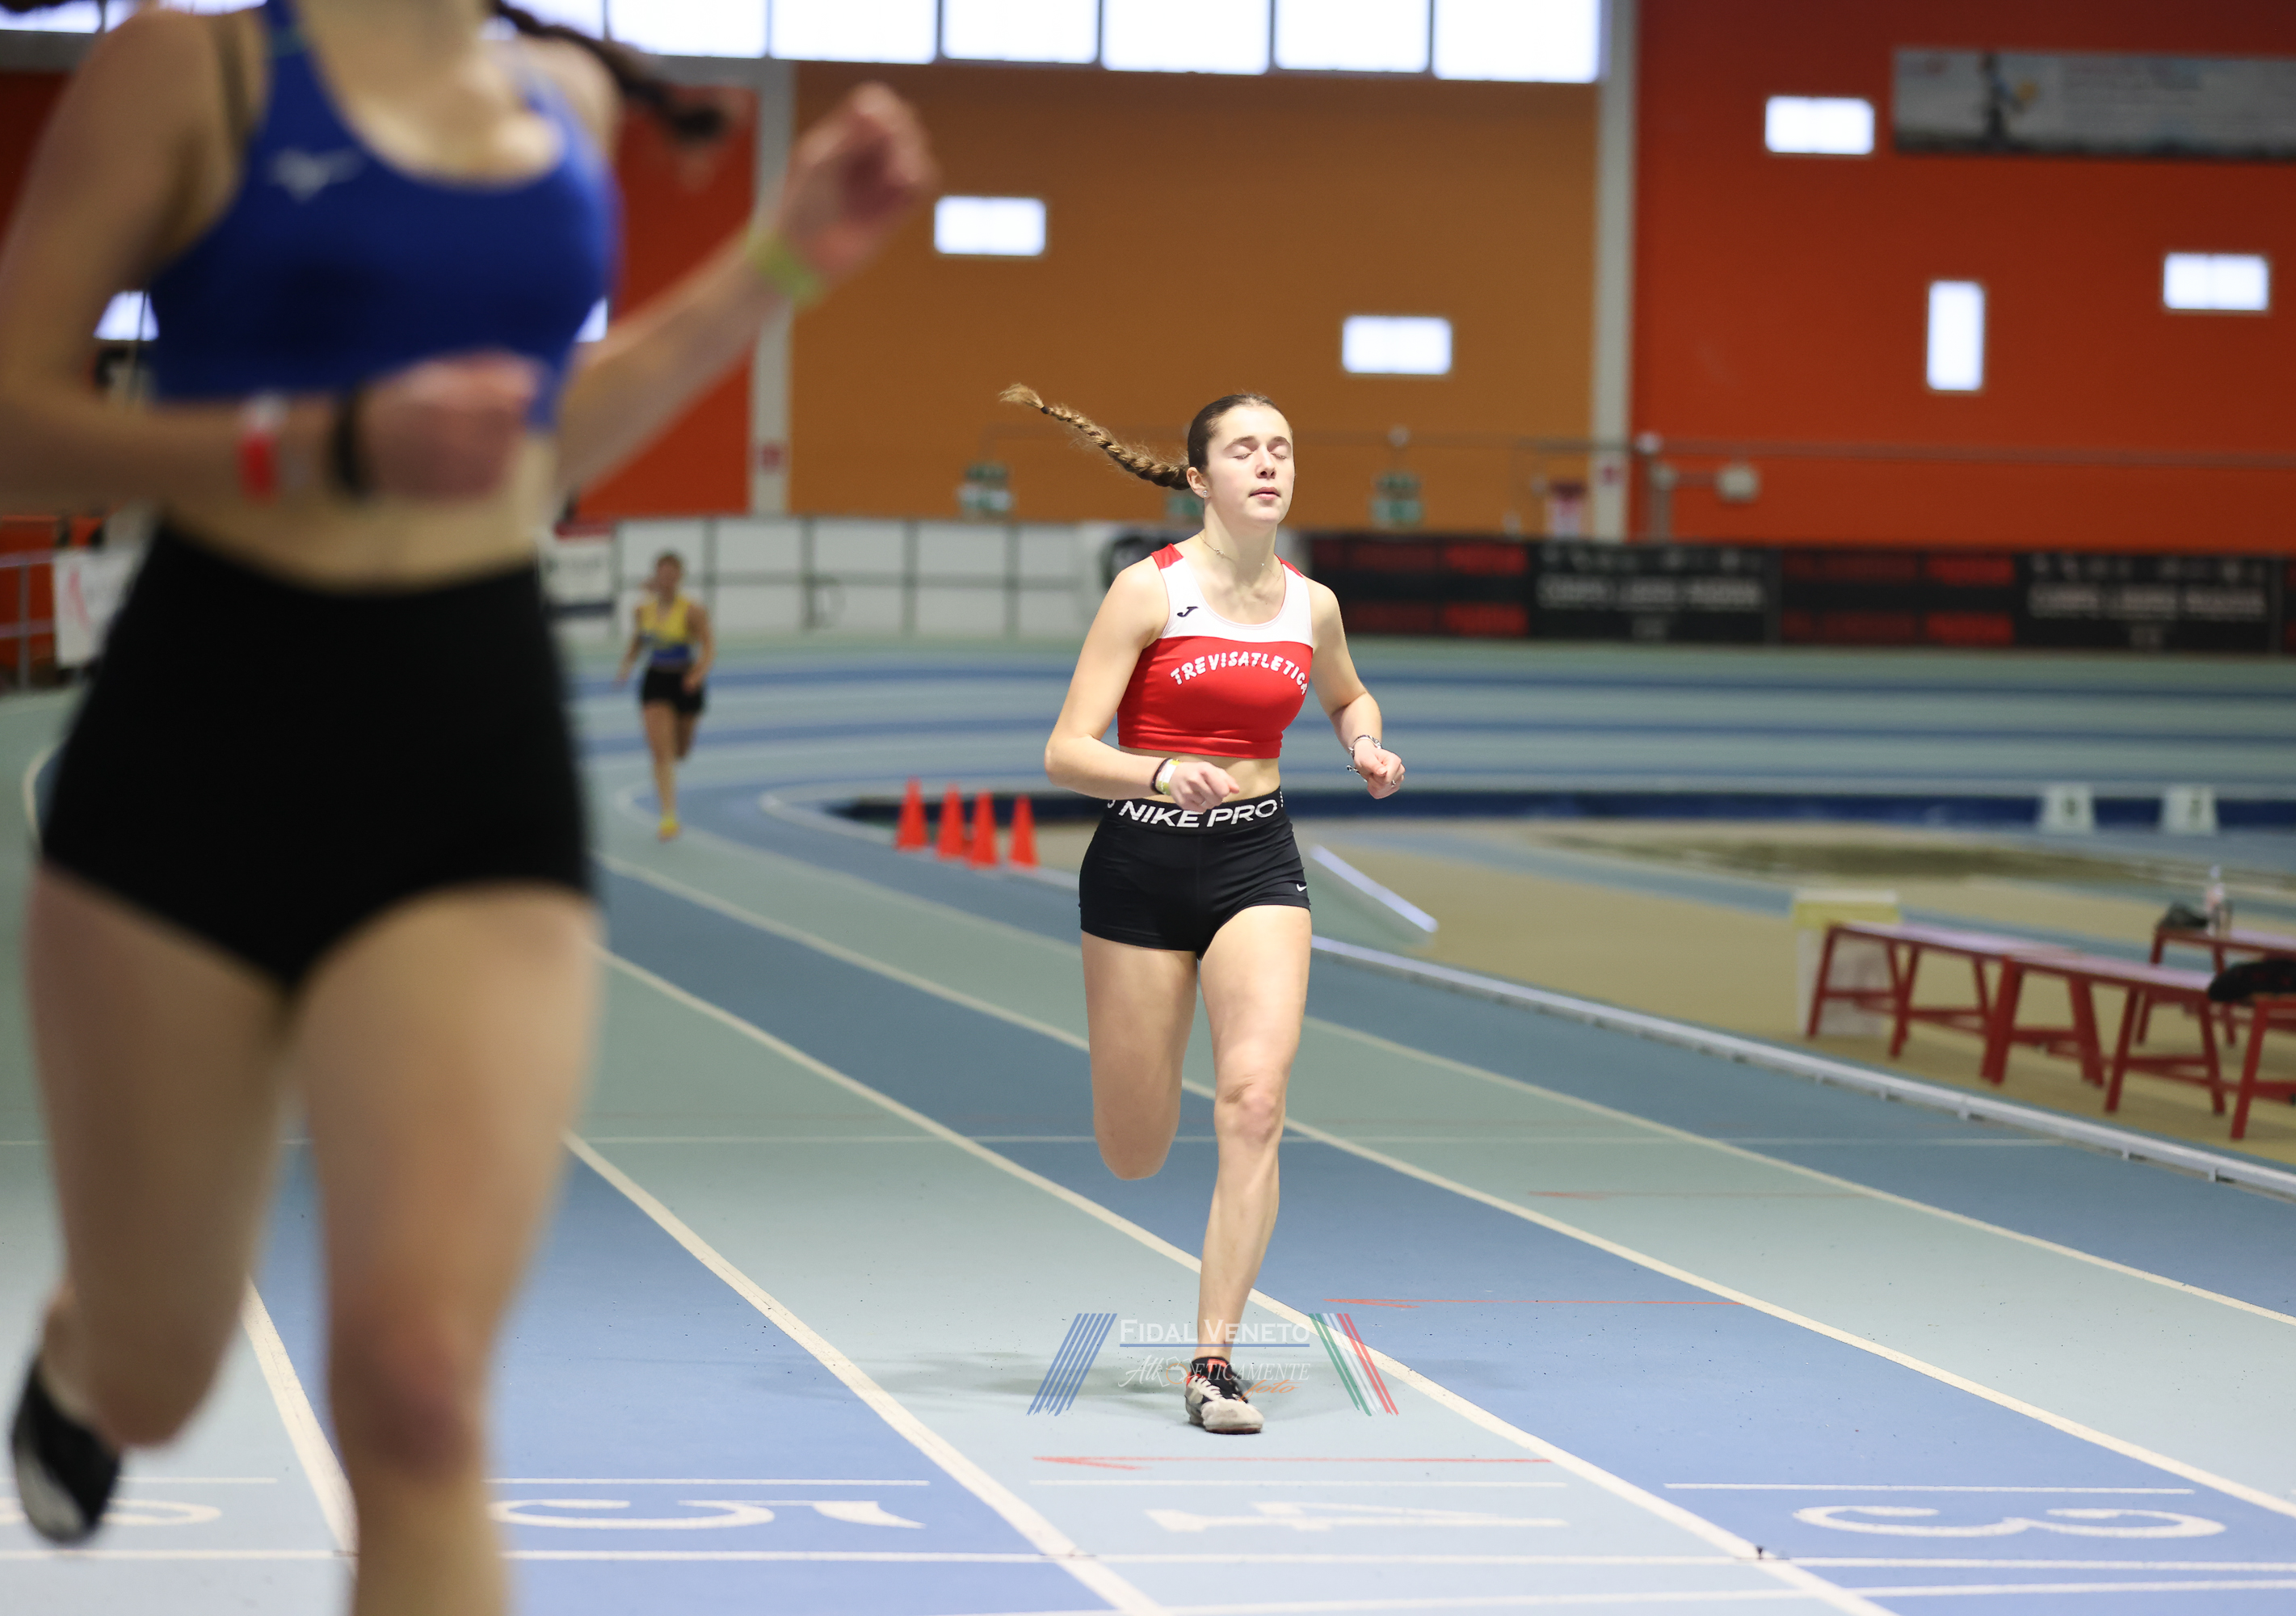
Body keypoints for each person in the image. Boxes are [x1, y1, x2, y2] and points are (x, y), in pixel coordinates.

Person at [0, 2, 932, 1610]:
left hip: (467, 750)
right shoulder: (189, 67)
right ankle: (96, 1340)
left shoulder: (562, 92)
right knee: (159, 1375)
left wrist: (785, 259)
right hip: (200, 747)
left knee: (419, 1392)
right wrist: (315, 446)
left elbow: (538, 441)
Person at [1017, 383, 1407, 1434]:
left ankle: (1212, 1363)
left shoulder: (1311, 605)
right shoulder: (1147, 592)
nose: (1268, 463)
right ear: (1199, 478)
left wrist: (1365, 741)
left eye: (1282, 447)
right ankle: (1145, 1101)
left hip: (1255, 864)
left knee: (1254, 1101)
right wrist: (1159, 770)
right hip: (1139, 868)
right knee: (1133, 1148)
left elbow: (1346, 693)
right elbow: (1065, 751)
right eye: (1244, 450)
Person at [615, 549, 713, 840]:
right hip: (655, 680)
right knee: (660, 752)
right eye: (662, 574)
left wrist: (697, 675)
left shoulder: (692, 610)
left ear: (679, 577)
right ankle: (669, 816)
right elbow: (638, 641)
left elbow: (709, 647)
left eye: (672, 575)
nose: (667, 580)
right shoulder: (642, 610)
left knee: (680, 751)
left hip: (685, 682)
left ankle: (675, 759)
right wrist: (626, 666)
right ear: (656, 576)